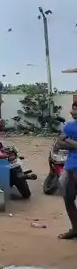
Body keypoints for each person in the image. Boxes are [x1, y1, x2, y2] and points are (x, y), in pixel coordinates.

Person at [55, 101, 77, 239]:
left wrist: (68, 140)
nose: (71, 112)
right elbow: (58, 144)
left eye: (75, 109)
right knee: (68, 199)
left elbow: (63, 141)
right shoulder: (69, 125)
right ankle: (75, 228)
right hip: (70, 167)